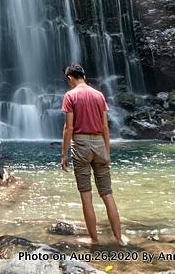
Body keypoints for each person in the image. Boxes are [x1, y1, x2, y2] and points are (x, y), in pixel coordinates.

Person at [60, 63, 125, 246]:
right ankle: (119, 238)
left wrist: (64, 154)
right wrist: (107, 151)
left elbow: (69, 127)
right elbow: (105, 127)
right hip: (99, 144)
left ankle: (94, 239)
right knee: (107, 193)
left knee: (86, 195)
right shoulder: (99, 95)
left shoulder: (70, 96)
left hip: (80, 144)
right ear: (84, 76)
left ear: (70, 78)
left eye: (69, 81)